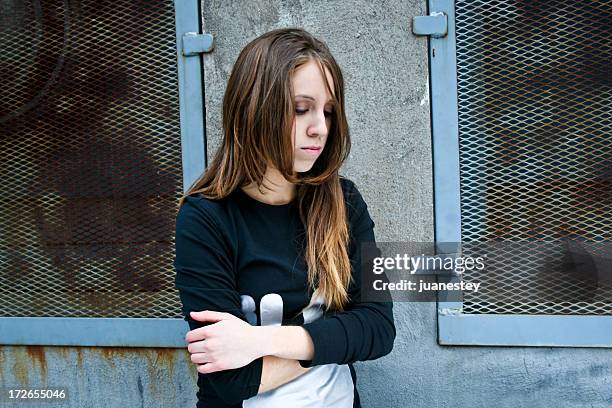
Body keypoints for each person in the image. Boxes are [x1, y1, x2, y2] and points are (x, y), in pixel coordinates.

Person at [174, 28, 395, 408]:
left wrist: (258, 342)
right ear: (254, 108)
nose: (320, 128)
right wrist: (334, 340)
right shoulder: (205, 219)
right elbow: (231, 380)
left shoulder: (346, 202)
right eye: (300, 108)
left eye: (328, 111)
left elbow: (379, 328)